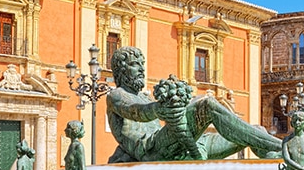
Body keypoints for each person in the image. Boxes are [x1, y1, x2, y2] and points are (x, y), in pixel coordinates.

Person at [105, 46, 281, 162]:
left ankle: (278, 158)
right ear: (121, 69)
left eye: (142, 64)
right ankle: (282, 146)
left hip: (176, 145)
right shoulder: (116, 95)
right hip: (153, 150)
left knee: (258, 130)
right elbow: (136, 112)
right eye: (135, 64)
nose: (142, 69)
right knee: (206, 105)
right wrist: (160, 108)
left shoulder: (145, 97)